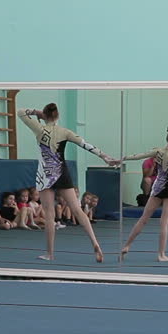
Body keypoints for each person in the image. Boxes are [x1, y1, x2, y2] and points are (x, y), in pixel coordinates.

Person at [17, 103, 119, 262]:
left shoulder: (38, 128)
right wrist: (104, 156)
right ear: (57, 116)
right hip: (61, 172)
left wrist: (37, 112)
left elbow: (21, 112)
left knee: (49, 214)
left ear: (45, 115)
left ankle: (50, 253)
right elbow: (86, 145)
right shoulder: (65, 132)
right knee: (77, 210)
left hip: (45, 174)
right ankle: (95, 242)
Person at [120, 125, 168, 262]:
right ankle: (161, 254)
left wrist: (123, 158)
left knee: (143, 218)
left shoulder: (158, 151)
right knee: (164, 222)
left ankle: (127, 245)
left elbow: (139, 156)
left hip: (157, 187)